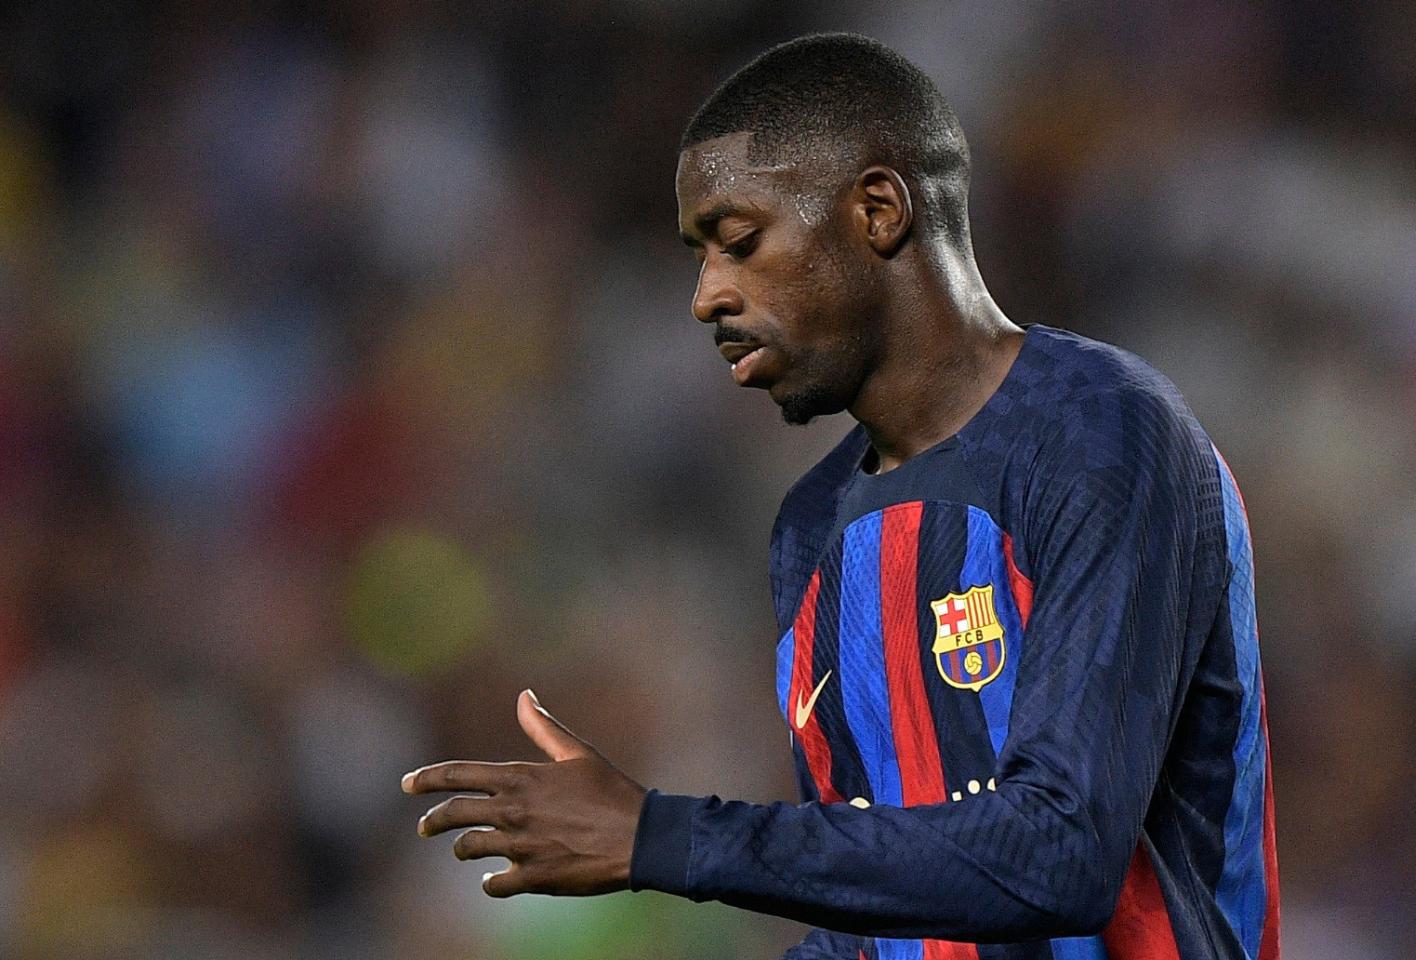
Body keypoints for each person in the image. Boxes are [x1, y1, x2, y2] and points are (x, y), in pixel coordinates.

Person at [403, 32, 1281, 960]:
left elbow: (1064, 852)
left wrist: (663, 835)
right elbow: (871, 921)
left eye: (740, 243)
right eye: (699, 256)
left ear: (878, 211)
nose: (706, 297)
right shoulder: (811, 528)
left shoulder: (1102, 434)